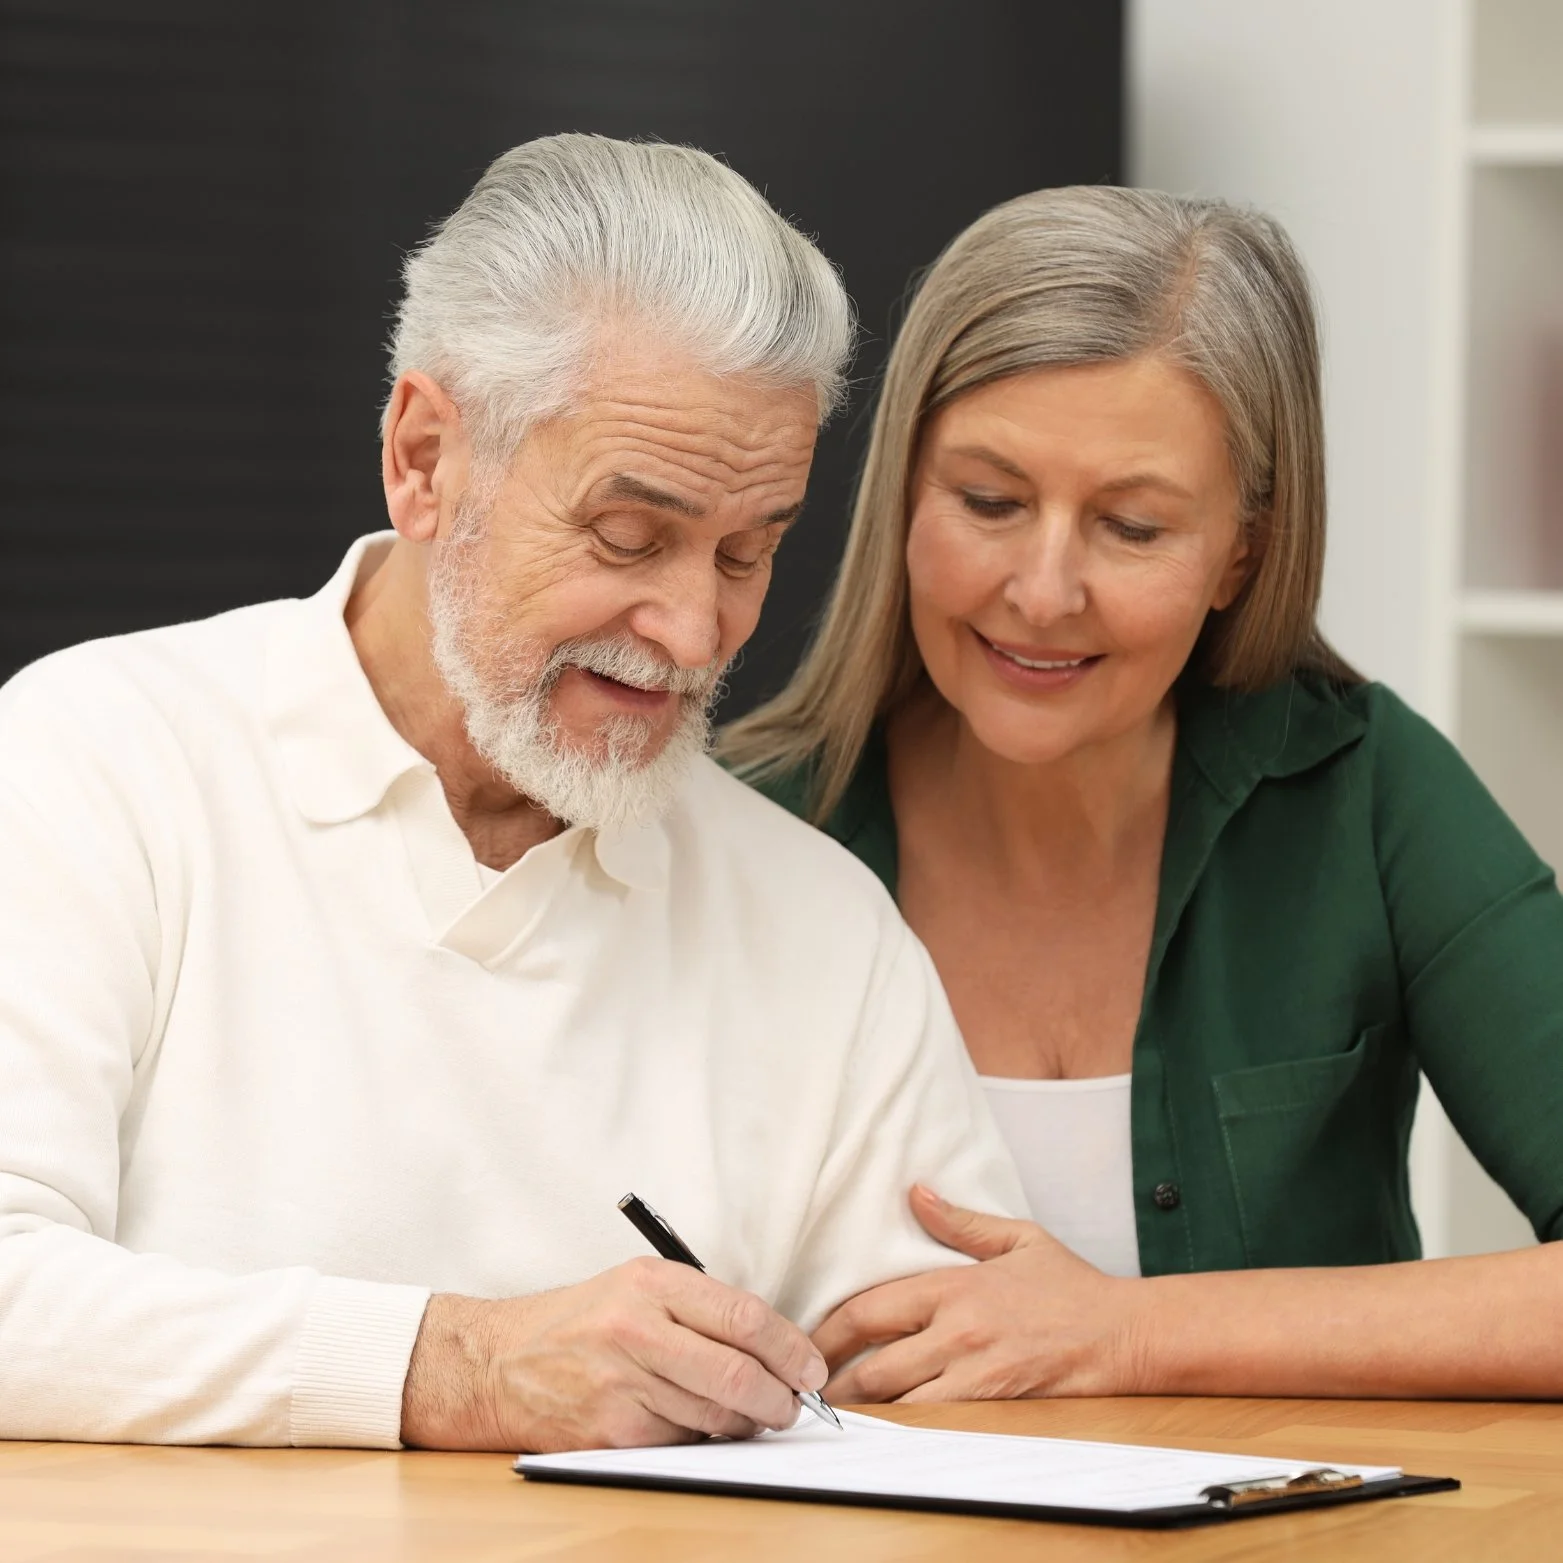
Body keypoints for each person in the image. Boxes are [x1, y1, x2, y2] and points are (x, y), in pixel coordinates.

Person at [0, 135, 1026, 1452]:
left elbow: (947, 1401)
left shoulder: (820, 925)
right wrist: (456, 1364)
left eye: (748, 550)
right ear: (425, 457)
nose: (694, 629)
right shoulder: (90, 763)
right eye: (628, 535)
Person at [723, 185, 1563, 1403]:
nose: (1045, 591)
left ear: (1243, 553)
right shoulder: (734, 830)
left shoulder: (1369, 793)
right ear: (903, 489)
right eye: (990, 502)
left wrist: (1124, 1335)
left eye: (1131, 526)